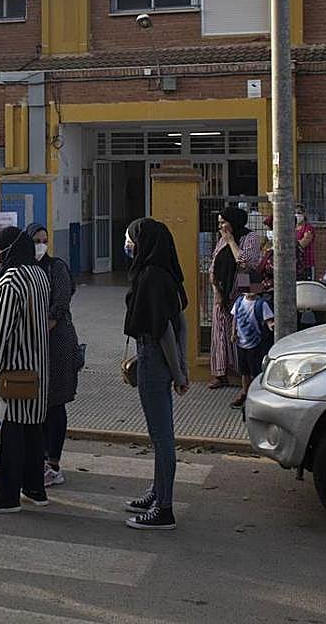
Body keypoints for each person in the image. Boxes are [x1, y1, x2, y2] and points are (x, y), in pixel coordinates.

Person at [0, 227, 50, 514]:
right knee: (32, 432)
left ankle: (7, 495)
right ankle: (34, 488)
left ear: (7, 249)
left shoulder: (11, 281)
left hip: (14, 371)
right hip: (37, 367)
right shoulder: (38, 275)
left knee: (11, 434)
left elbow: (1, 330)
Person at [122, 218, 190, 531]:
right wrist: (182, 367)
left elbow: (163, 331)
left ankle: (164, 508)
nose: (128, 245)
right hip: (159, 358)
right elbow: (181, 325)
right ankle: (156, 493)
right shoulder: (166, 273)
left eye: (130, 239)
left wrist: (178, 374)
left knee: (161, 437)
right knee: (160, 435)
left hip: (155, 360)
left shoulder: (150, 277)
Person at [25, 223, 80, 488]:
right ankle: (39, 459)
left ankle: (53, 463)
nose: (41, 245)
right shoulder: (25, 269)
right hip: (33, 346)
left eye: (44, 240)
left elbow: (60, 304)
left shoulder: (55, 267)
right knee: (37, 404)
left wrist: (39, 326)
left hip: (56, 344)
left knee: (55, 403)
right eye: (36, 240)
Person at [208, 206, 262, 389]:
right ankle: (220, 373)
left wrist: (231, 241)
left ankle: (243, 374)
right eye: (219, 223)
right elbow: (214, 264)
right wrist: (216, 290)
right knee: (220, 332)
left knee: (239, 330)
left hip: (242, 287)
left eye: (224, 222)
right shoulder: (221, 239)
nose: (221, 226)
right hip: (222, 289)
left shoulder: (251, 238)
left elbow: (245, 262)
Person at [232, 269, 274, 409]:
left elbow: (268, 320)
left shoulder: (262, 304)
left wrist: (271, 326)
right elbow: (235, 318)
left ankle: (255, 395)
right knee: (244, 371)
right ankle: (245, 391)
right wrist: (233, 333)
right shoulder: (239, 302)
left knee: (256, 371)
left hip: (256, 344)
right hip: (241, 343)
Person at [295, 205, 316, 280]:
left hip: (306, 263)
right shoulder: (292, 228)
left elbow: (303, 243)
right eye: (295, 213)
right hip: (295, 265)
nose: (297, 215)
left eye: (299, 213)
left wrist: (293, 244)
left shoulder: (308, 228)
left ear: (304, 214)